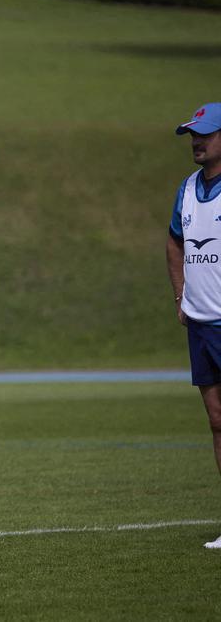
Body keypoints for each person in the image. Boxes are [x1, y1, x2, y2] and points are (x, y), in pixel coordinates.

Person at [166, 102, 221, 549]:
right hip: (201, 326)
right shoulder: (186, 189)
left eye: (204, 133)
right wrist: (180, 294)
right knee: (218, 421)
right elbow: (174, 241)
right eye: (191, 135)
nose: (196, 142)